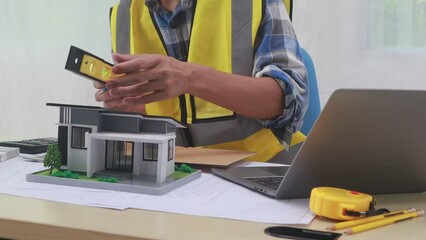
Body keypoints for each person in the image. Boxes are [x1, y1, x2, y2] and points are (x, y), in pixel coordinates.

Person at [94, 0, 308, 163]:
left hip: (261, 167)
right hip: (177, 176)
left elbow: (288, 103)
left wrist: (189, 78)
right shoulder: (124, 14)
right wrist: (131, 106)